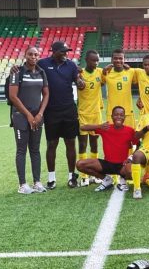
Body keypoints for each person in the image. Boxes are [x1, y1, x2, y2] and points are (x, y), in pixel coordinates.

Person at [12, 41, 86, 189]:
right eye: (63, 51)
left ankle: (72, 177)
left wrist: (79, 81)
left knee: (70, 143)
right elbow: (29, 66)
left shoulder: (71, 65)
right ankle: (51, 178)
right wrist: (15, 68)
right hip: (50, 111)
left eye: (67, 51)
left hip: (69, 110)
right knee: (52, 144)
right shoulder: (43, 64)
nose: (66, 54)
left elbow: (77, 78)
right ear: (54, 51)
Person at [9, 46, 49, 194]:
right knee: (21, 150)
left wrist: (40, 114)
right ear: (25, 55)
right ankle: (22, 185)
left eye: (36, 54)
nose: (33, 57)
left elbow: (46, 94)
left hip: (37, 117)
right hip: (21, 117)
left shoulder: (41, 72)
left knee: (35, 149)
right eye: (30, 54)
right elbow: (13, 96)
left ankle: (37, 182)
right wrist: (28, 115)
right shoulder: (17, 72)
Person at [76, 106, 136, 192]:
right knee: (80, 164)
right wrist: (99, 126)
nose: (118, 117)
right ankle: (106, 179)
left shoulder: (129, 130)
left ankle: (123, 180)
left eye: (121, 115)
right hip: (107, 164)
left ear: (124, 117)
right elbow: (83, 128)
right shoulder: (106, 128)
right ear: (111, 116)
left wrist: (130, 158)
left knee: (131, 171)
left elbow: (138, 145)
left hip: (122, 165)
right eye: (116, 115)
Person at [77, 50, 104, 186]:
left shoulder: (100, 72)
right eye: (93, 60)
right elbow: (79, 85)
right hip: (83, 113)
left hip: (96, 114)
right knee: (82, 144)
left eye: (97, 60)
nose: (96, 63)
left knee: (94, 144)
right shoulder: (80, 73)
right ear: (87, 60)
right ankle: (83, 176)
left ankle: (94, 173)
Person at [103, 49, 137, 128]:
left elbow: (142, 81)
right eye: (115, 58)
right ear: (111, 59)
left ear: (124, 59)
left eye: (121, 58)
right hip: (112, 113)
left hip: (128, 112)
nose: (118, 60)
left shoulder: (131, 71)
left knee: (130, 136)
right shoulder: (106, 72)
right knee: (112, 137)